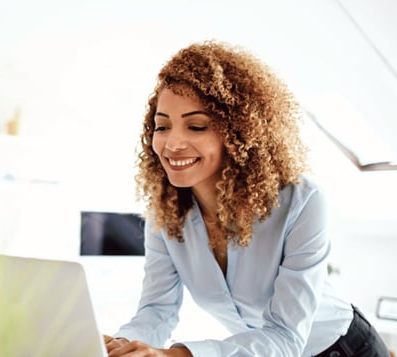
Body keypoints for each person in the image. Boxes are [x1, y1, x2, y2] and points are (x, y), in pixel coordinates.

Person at [104, 40, 390, 357]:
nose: (172, 144)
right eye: (162, 126)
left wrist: (174, 355)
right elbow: (155, 312)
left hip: (346, 349)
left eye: (196, 126)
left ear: (238, 132)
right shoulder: (166, 214)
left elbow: (284, 337)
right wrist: (118, 346)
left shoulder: (302, 201)